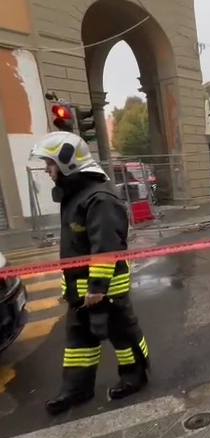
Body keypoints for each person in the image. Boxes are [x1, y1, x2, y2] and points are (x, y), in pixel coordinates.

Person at [30, 131, 150, 415]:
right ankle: (76, 389)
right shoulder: (75, 196)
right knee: (79, 342)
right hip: (82, 291)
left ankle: (135, 377)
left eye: (50, 164)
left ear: (67, 163)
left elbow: (106, 247)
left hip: (105, 290)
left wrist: (97, 288)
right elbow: (74, 249)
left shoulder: (99, 199)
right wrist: (69, 289)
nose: (47, 171)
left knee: (123, 335)